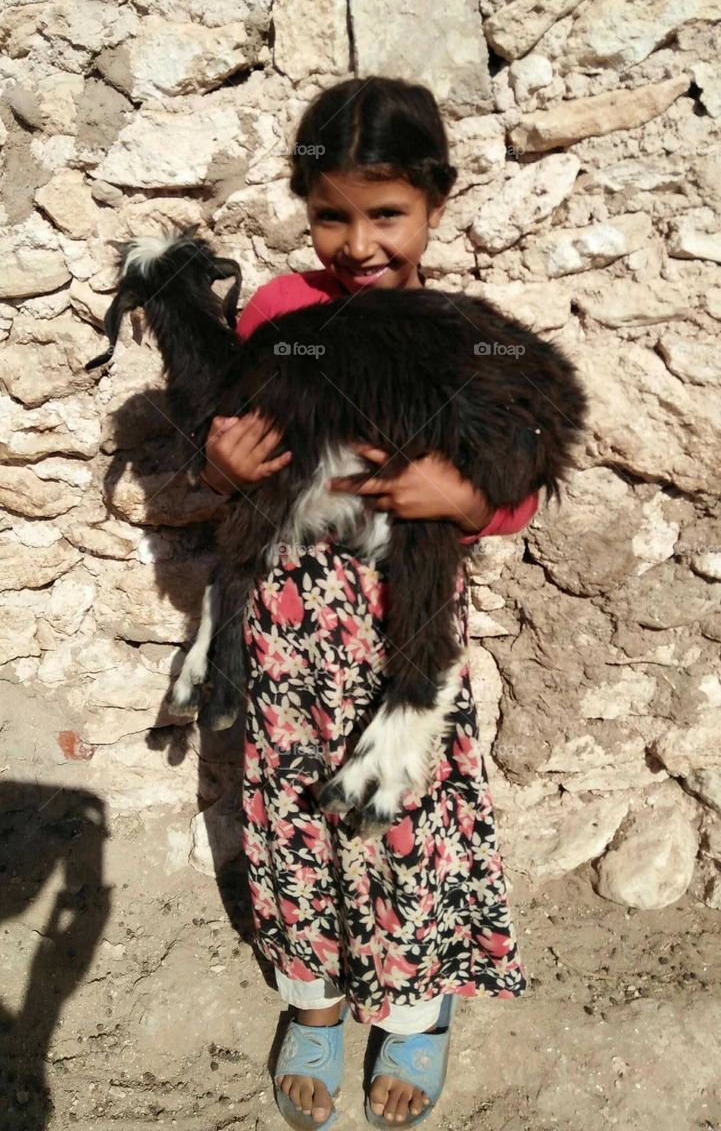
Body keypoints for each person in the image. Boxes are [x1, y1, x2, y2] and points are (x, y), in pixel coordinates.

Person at [200, 76, 536, 1130]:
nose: (357, 241)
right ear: (305, 209)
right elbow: (237, 444)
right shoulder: (276, 316)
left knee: (408, 822)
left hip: (406, 634)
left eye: (385, 213)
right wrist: (222, 463)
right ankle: (316, 997)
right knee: (297, 810)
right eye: (330, 215)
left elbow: (519, 476)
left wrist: (466, 494)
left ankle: (413, 1011)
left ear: (435, 203)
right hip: (289, 629)